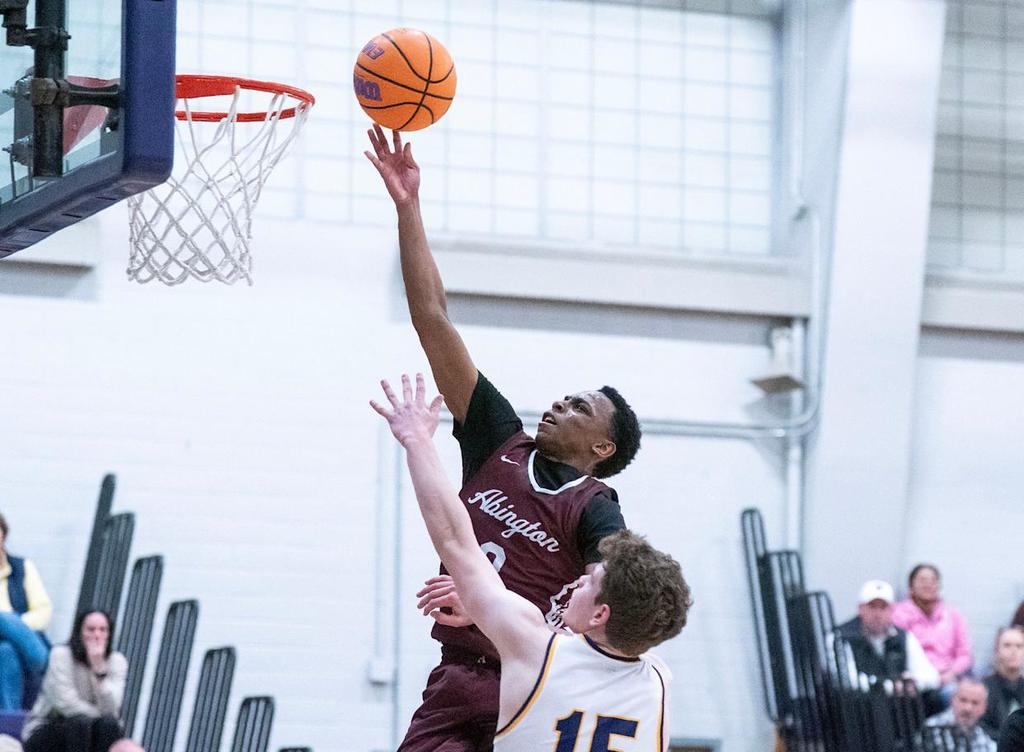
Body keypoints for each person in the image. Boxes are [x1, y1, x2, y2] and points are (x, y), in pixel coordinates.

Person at [365, 125, 643, 751]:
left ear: (602, 448)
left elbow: (612, 609)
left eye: (580, 407)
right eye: (565, 396)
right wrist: (408, 207)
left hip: (534, 683)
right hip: (456, 676)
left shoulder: (595, 508)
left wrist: (495, 608)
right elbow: (432, 317)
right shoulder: (498, 438)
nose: (560, 404)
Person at [371, 374, 691, 751]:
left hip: (484, 686)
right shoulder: (657, 685)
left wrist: (418, 442)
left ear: (602, 613)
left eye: (588, 582)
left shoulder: (538, 651)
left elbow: (455, 538)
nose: (577, 581)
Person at [21, 610, 135, 752]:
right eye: (91, 629)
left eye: (103, 630)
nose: (97, 635)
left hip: (94, 729)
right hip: (51, 725)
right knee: (80, 722)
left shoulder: (117, 661)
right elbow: (66, 703)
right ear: (79, 632)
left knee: (109, 725)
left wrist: (99, 669)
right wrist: (99, 716)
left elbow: (111, 709)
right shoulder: (60, 655)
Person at [834, 579, 939, 693]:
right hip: (856, 702)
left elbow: (932, 677)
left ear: (892, 610)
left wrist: (911, 683)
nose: (877, 614)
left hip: (897, 702)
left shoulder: (904, 637)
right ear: (860, 609)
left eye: (883, 607)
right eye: (872, 607)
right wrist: (889, 686)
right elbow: (846, 680)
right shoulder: (841, 636)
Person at [893, 563, 973, 706]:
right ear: (911, 586)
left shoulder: (953, 615)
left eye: (933, 580)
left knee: (961, 697)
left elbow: (964, 654)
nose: (928, 584)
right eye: (923, 580)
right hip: (913, 679)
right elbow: (895, 650)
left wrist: (951, 674)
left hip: (946, 679)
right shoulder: (899, 614)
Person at [0, 513, 51, 711]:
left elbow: (43, 611)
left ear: (4, 535)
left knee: (6, 648)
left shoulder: (22, 567)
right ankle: (44, 665)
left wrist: (15, 625)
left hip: (22, 638)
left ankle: (8, 721)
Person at [923, 678, 996, 752]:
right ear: (952, 700)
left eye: (975, 703)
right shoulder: (931, 729)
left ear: (984, 708)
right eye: (963, 700)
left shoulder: (985, 739)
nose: (968, 708)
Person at [982, 627, 1024, 741]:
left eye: (1019, 646)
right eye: (1007, 645)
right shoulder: (984, 688)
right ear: (997, 650)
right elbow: (981, 726)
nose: (1013, 651)